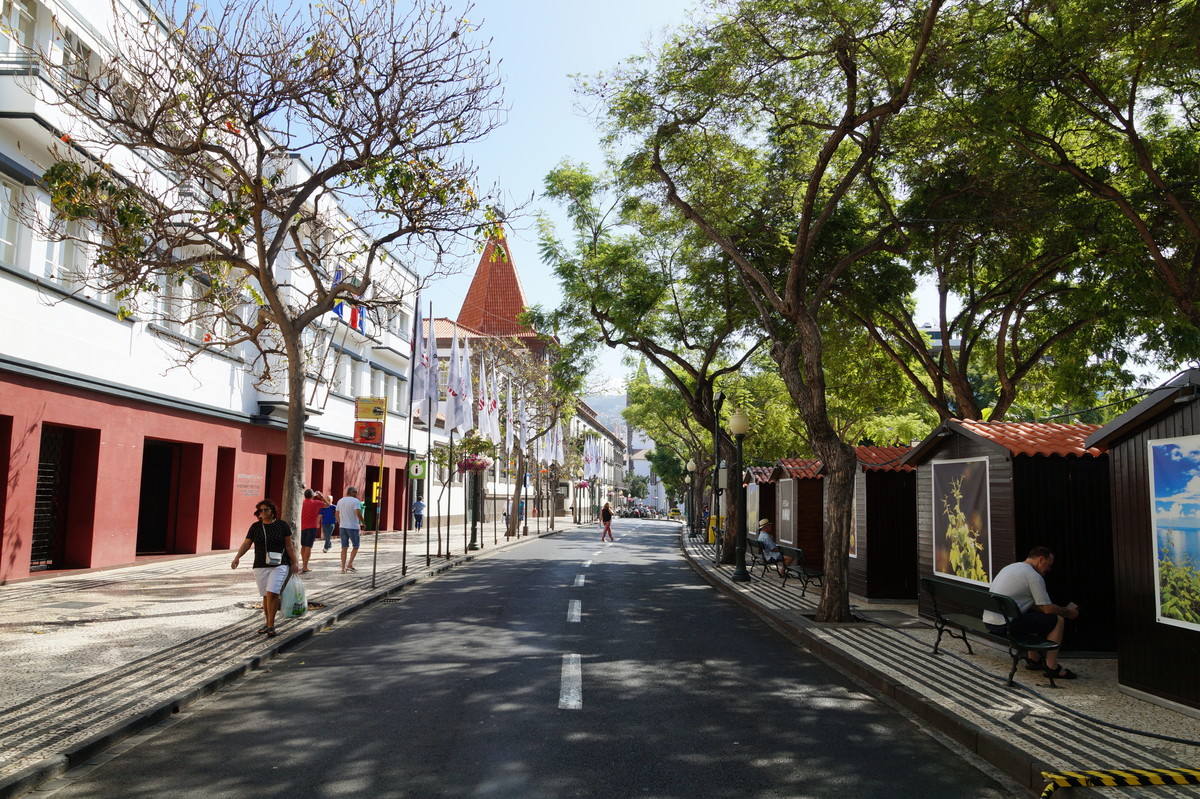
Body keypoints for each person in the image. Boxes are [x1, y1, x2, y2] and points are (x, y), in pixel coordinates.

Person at [983, 546, 1081, 680]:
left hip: (990, 622)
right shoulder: (1033, 576)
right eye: (1049, 565)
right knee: (1058, 620)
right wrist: (1069, 612)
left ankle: (1034, 660)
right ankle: (1052, 668)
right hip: (1005, 625)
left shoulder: (1010, 567)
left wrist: (1056, 609)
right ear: (1041, 559)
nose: (1049, 569)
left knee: (1032, 618)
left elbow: (1036, 606)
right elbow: (1047, 609)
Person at [231, 499, 298, 638]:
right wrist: (237, 557)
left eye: (265, 509)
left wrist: (295, 562)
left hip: (280, 564)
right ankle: (267, 623)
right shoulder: (255, 527)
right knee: (266, 595)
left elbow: (289, 545)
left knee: (273, 593)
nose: (262, 512)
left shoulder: (282, 525)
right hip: (260, 565)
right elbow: (246, 543)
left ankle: (271, 625)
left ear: (272, 511)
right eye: (260, 510)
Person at [335, 486, 365, 573]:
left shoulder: (340, 501)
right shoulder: (355, 501)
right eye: (355, 492)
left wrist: (340, 522)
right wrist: (363, 522)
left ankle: (343, 568)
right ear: (352, 492)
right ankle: (350, 564)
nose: (356, 494)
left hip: (343, 527)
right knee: (356, 546)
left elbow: (336, 513)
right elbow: (358, 513)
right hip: (353, 527)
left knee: (344, 547)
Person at [298, 488, 328, 573]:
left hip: (302, 527)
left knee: (303, 546)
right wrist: (321, 496)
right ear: (312, 495)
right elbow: (328, 504)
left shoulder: (302, 503)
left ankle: (303, 564)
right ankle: (305, 566)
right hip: (312, 527)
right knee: (308, 547)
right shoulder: (316, 503)